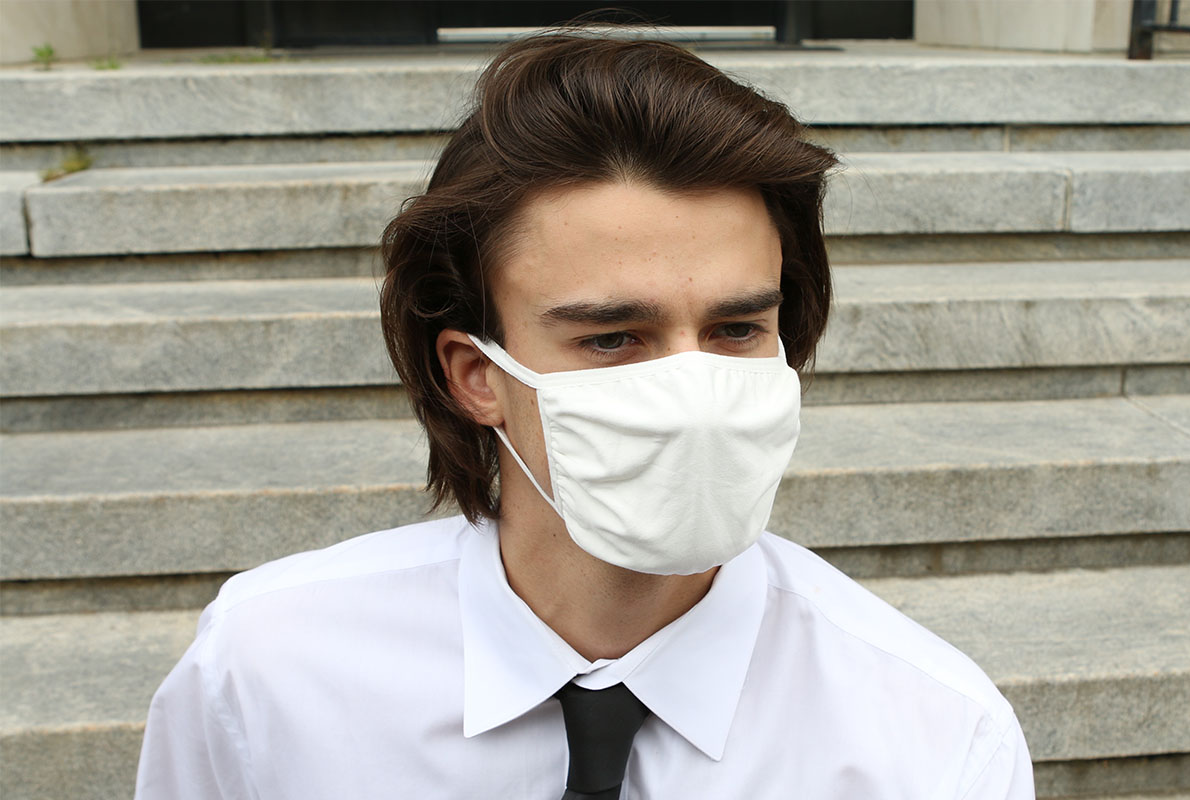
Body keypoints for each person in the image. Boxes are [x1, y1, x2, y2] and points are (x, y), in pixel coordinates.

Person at [136, 30, 1035, 799]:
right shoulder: (266, 674)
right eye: (612, 337)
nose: (692, 391)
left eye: (736, 329)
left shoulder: (932, 736)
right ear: (475, 376)